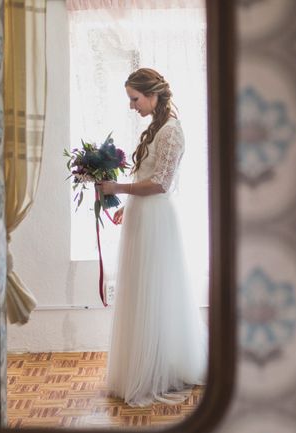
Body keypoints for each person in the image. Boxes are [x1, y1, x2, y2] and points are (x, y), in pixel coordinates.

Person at [97, 68, 208, 406]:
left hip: (158, 219)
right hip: (142, 215)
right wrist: (126, 204)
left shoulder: (172, 131)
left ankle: (161, 369)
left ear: (153, 94)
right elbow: (147, 176)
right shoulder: (155, 129)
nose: (133, 106)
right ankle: (142, 365)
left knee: (155, 291)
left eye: (135, 99)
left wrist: (117, 188)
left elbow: (160, 183)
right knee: (139, 290)